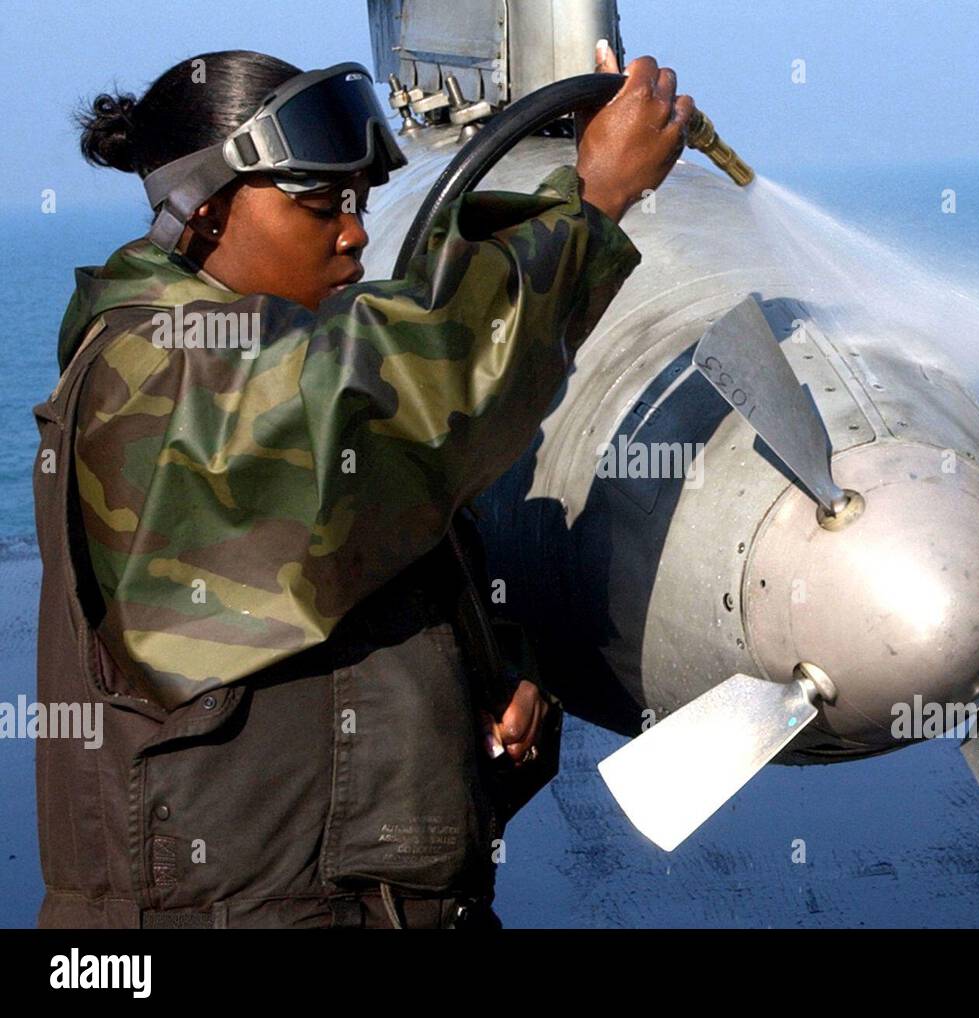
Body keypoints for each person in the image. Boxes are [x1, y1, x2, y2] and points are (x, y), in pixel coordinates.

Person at [33, 42, 693, 928]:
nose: (352, 232)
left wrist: (490, 668)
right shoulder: (157, 371)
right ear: (201, 212)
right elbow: (411, 387)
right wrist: (593, 201)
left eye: (358, 203)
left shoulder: (269, 367)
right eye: (317, 205)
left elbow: (369, 546)